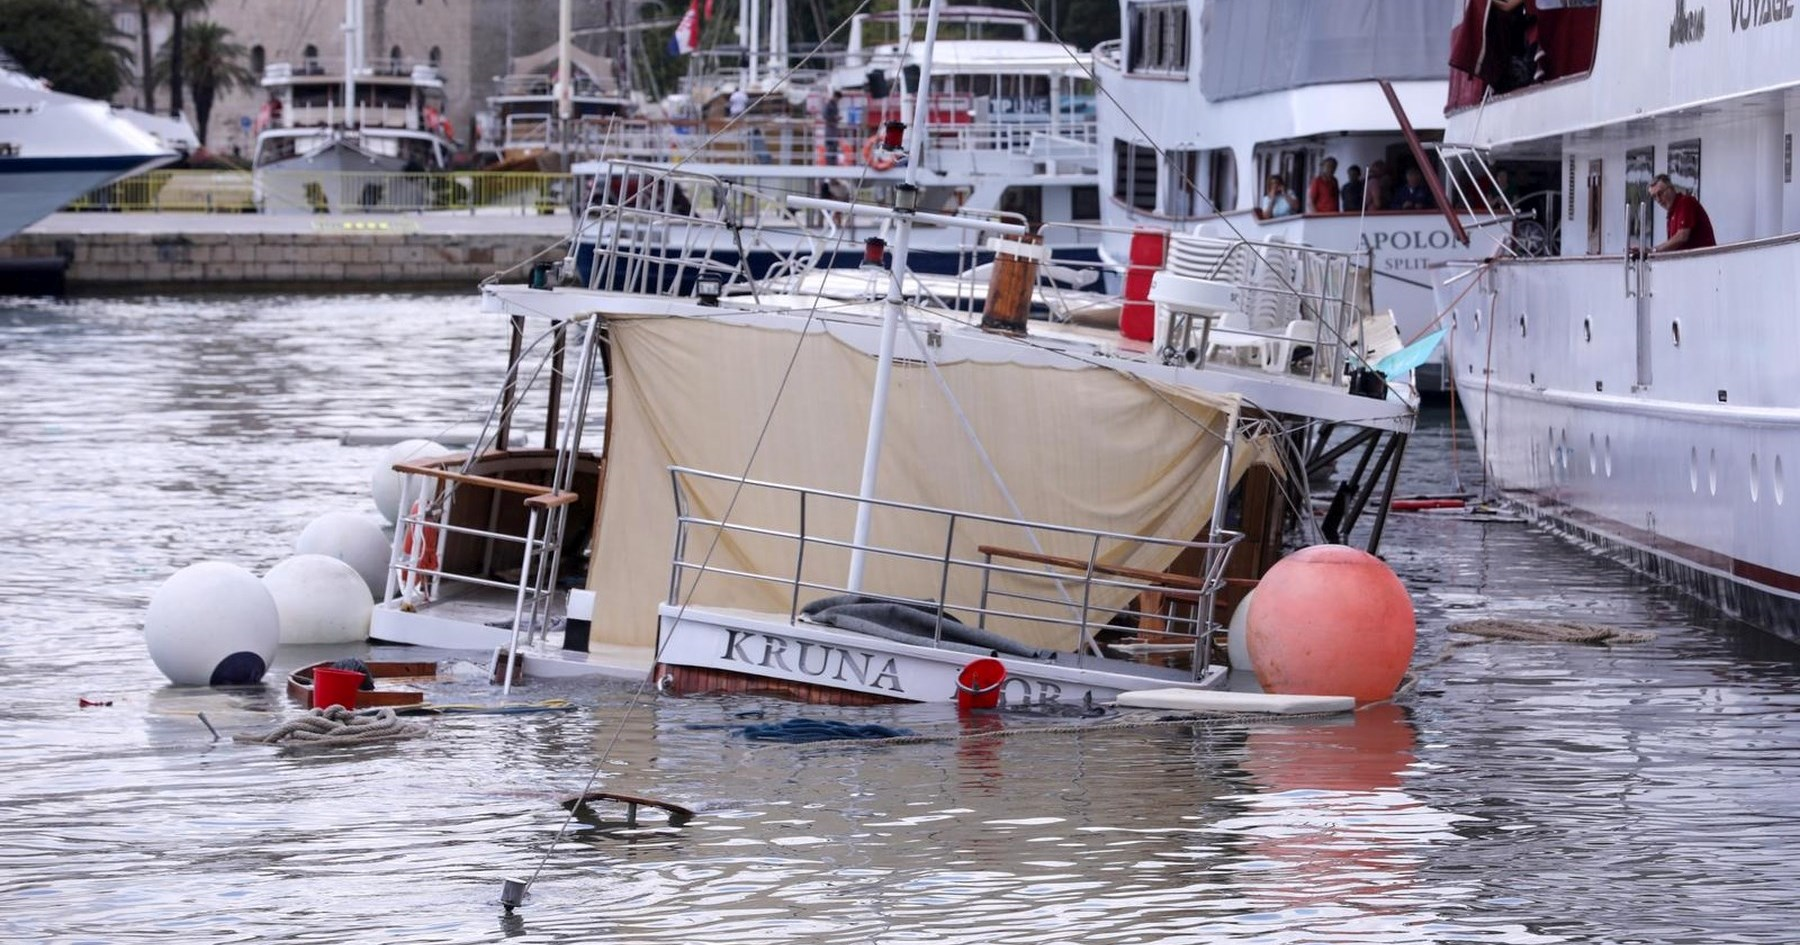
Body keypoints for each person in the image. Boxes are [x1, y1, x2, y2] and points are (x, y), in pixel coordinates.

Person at [1648, 173, 1715, 252]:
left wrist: (1654, 250)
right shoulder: (1671, 213)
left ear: (1671, 189)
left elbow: (1682, 236)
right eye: (1654, 197)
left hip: (1703, 259)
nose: (1658, 199)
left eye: (1660, 193)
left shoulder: (1685, 202)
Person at [822, 91, 843, 165]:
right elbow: (825, 116)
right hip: (830, 129)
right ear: (835, 97)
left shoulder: (834, 105)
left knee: (834, 147)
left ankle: (833, 163)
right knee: (830, 147)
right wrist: (835, 118)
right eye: (838, 99)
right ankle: (830, 163)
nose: (838, 101)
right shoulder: (829, 105)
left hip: (833, 129)